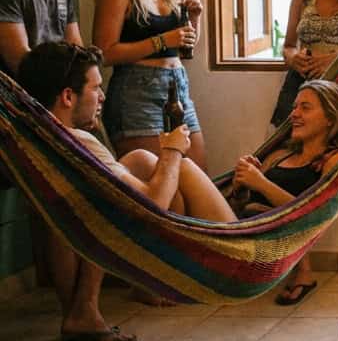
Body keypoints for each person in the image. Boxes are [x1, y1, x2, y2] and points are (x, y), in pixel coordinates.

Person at [0, 0, 132, 341]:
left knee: (107, 193)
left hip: (71, 107)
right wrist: (67, 109)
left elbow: (80, 51)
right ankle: (80, 314)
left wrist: (86, 101)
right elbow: (22, 61)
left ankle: (84, 308)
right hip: (26, 116)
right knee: (62, 206)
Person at [18, 43, 236, 224]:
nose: (102, 97)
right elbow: (153, 205)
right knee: (184, 168)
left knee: (138, 159)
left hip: (116, 230)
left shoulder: (43, 139)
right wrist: (173, 149)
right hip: (146, 232)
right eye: (95, 88)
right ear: (67, 97)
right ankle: (239, 246)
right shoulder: (79, 142)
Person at [92, 0, 207, 168]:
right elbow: (104, 53)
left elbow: (183, 49)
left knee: (199, 173)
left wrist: (194, 19)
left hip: (178, 88)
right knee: (158, 178)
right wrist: (162, 41)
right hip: (137, 93)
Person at [234, 79, 338, 305]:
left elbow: (312, 214)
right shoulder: (279, 155)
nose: (294, 114)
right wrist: (241, 184)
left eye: (305, 108)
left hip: (253, 239)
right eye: (294, 107)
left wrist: (261, 182)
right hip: (234, 230)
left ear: (330, 118)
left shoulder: (334, 159)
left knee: (182, 167)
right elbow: (243, 202)